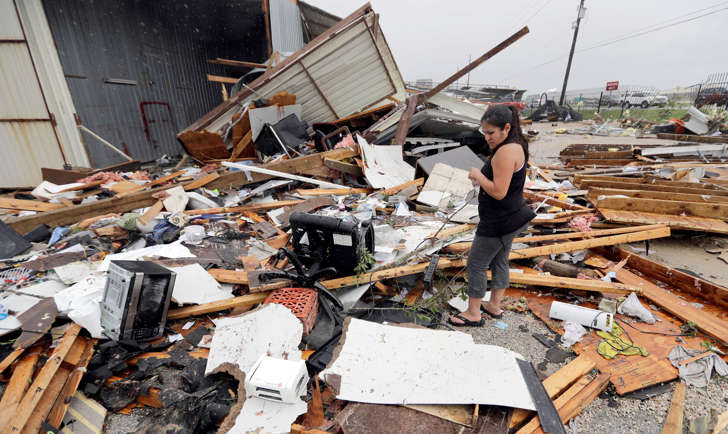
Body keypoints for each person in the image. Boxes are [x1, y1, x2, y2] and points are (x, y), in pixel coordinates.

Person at [449, 105, 535, 327]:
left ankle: (473, 313)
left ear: (506, 128)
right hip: (513, 216)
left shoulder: (506, 152)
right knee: (499, 260)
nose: (487, 138)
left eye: (491, 133)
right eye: (484, 133)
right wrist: (483, 178)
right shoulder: (516, 145)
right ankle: (493, 306)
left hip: (499, 221)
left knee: (476, 264)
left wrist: (478, 173)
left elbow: (498, 191)